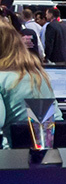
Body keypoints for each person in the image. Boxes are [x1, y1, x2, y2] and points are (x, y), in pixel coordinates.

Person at [0, 21, 54, 149]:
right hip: (48, 154)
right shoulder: (39, 75)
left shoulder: (2, 79)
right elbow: (56, 121)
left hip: (10, 157)